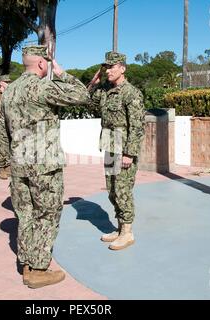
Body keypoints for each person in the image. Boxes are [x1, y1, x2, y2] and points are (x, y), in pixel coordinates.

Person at [0, 45, 90, 289]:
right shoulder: (43, 86)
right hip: (44, 166)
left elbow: (1, 131)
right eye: (47, 63)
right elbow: (82, 95)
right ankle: (39, 269)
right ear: (41, 64)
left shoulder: (9, 92)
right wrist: (62, 73)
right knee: (47, 215)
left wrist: (5, 162)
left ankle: (26, 263)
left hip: (19, 165)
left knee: (25, 214)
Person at [88, 51, 146, 251]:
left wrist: (130, 153)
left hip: (124, 148)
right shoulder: (105, 91)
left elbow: (137, 126)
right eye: (106, 67)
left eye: (112, 67)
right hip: (110, 145)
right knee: (112, 190)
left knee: (122, 190)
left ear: (122, 68)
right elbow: (90, 103)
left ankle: (127, 233)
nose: (109, 71)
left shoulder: (131, 93)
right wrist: (94, 82)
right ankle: (120, 227)